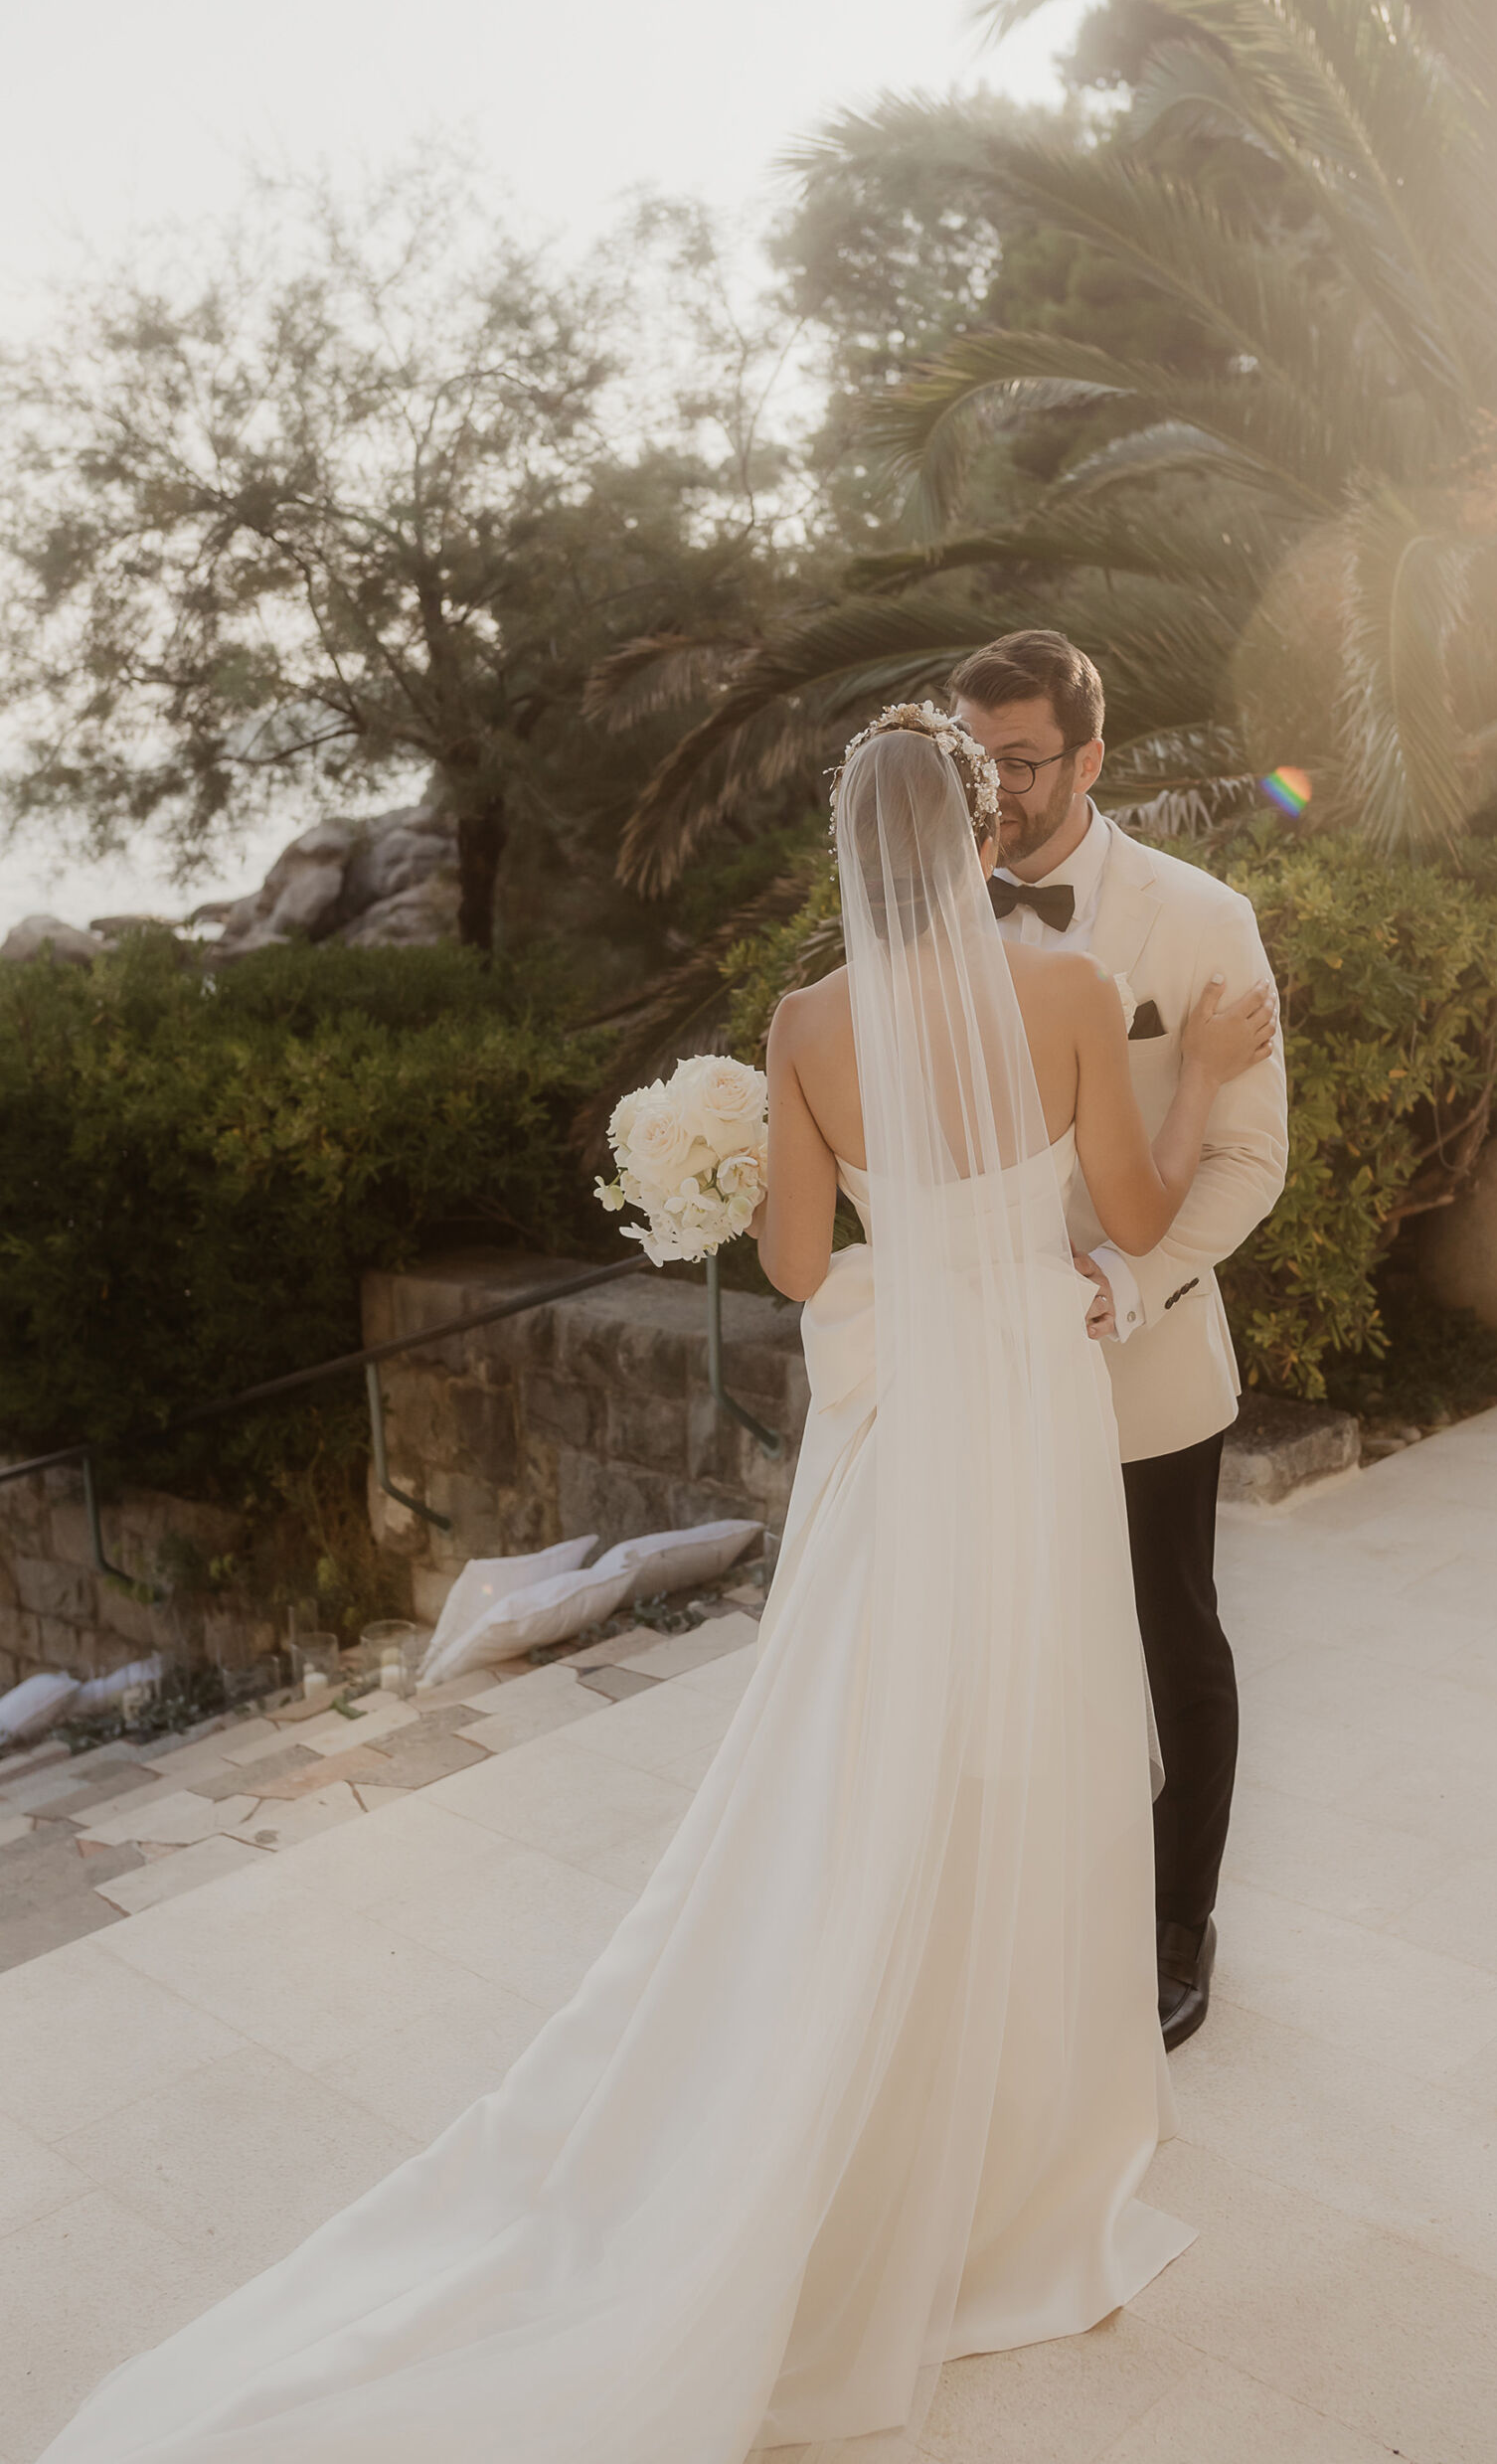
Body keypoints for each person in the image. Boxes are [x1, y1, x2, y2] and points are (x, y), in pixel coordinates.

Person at [35, 708, 1275, 2464]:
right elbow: (1138, 1224)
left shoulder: (808, 1027)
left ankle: (840, 2042)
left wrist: (776, 1166)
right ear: (985, 828)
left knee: (868, 1731)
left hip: (903, 1405)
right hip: (1032, 1394)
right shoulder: (1074, 998)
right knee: (1040, 1711)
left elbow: (788, 1263)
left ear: (856, 849)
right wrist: (1208, 1067)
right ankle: (1007, 2115)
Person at [951, 633, 1289, 2047]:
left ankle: (1174, 1918)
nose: (996, 794)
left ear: (1091, 760)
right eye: (974, 763)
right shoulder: (928, 907)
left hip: (1146, 1357)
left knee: (1171, 1636)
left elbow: (1252, 1161)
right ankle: (1046, 1908)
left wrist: (1123, 1285)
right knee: (1015, 1639)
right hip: (992, 1364)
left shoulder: (1200, 919)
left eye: (1021, 763)